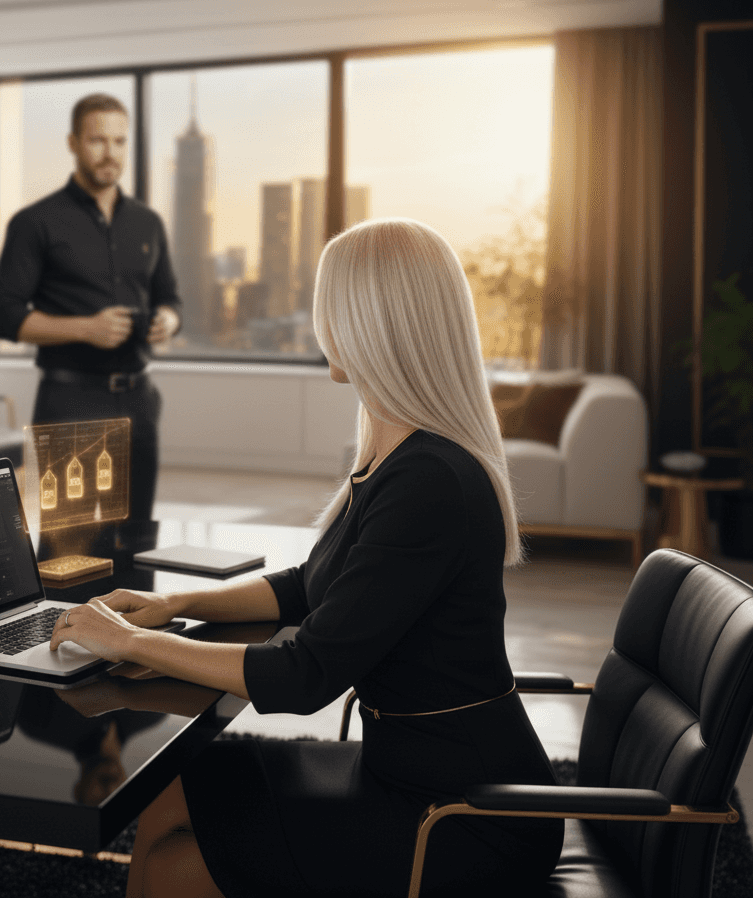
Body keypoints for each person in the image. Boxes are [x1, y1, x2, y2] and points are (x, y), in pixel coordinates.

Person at [48, 218, 564, 898]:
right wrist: (176, 605)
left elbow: (305, 675)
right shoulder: (395, 456)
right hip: (410, 769)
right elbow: (307, 587)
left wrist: (132, 640)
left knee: (177, 869)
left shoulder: (430, 481)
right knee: (168, 797)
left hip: (463, 814)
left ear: (371, 322)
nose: (320, 325)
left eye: (330, 306)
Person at [0, 93, 181, 525]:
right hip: (68, 402)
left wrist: (168, 320)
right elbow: (3, 315)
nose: (109, 152)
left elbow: (171, 296)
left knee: (136, 537)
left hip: (138, 402)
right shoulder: (34, 222)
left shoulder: (148, 223)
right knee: (67, 546)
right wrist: (84, 329)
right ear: (73, 143)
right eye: (97, 140)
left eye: (119, 141)